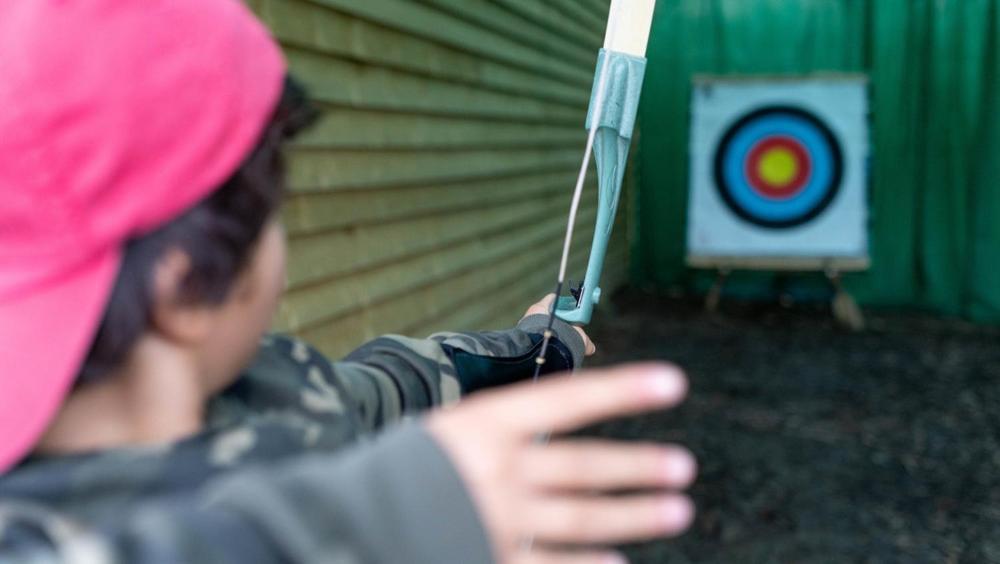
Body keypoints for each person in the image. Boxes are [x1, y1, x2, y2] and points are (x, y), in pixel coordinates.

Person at [0, 1, 697, 563]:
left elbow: (395, 384)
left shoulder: (272, 388)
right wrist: (370, 524)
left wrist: (543, 341)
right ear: (190, 293)